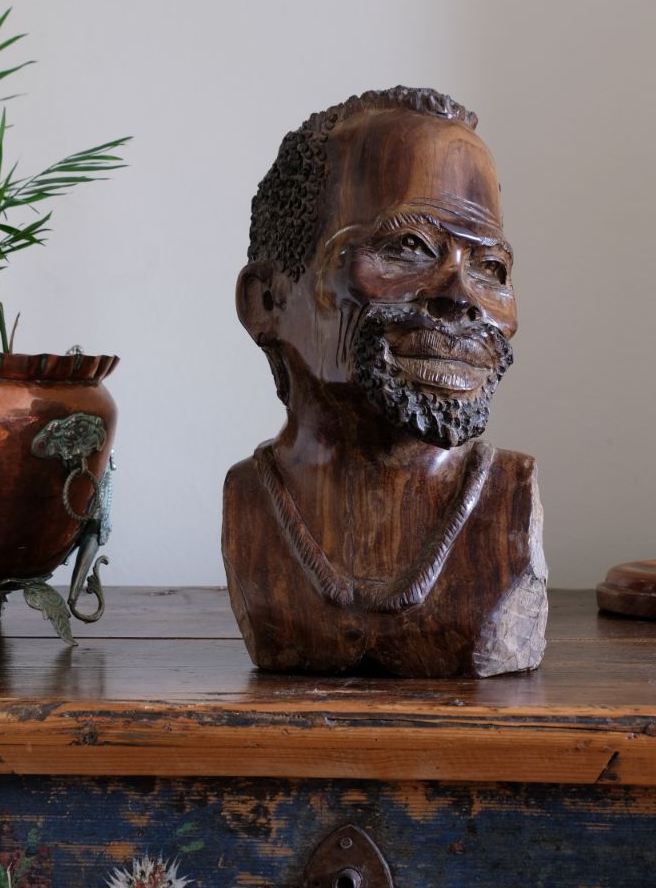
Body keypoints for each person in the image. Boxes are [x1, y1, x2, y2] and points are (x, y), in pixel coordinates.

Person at [223, 87, 546, 677]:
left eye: (490, 268)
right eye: (409, 246)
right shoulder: (251, 503)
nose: (461, 297)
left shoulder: (510, 502)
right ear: (267, 301)